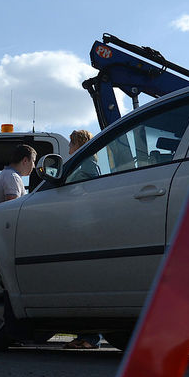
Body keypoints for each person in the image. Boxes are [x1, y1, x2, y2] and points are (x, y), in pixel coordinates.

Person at [63, 129, 102, 349]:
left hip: (85, 228)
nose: (69, 148)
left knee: (86, 279)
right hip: (81, 226)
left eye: (71, 142)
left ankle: (90, 337)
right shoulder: (85, 166)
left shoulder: (86, 167)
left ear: (79, 144)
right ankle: (85, 334)